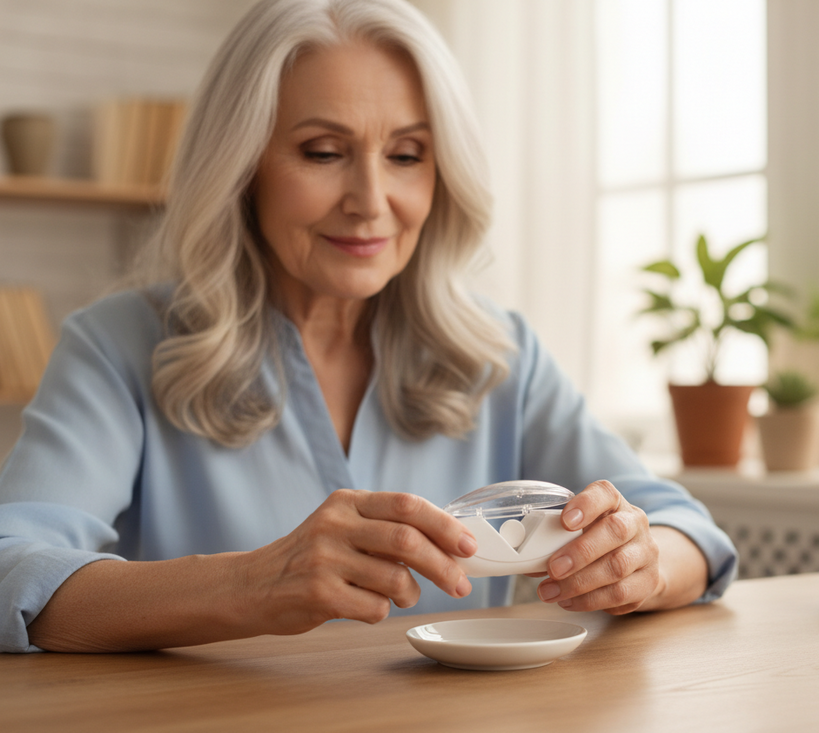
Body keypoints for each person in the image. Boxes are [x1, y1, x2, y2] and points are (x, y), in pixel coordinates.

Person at [0, 0, 736, 654]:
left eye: (407, 155)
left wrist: (639, 561)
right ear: (241, 164)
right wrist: (253, 584)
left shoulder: (498, 352)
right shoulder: (118, 343)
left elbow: (687, 532)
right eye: (324, 152)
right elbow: (12, 571)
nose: (371, 201)